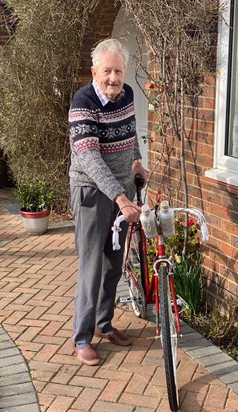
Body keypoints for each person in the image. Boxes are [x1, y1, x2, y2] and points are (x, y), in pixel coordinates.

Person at [68, 38, 148, 366]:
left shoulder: (127, 94)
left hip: (122, 193)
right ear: (94, 71)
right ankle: (82, 338)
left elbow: (129, 134)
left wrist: (137, 161)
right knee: (91, 266)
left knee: (115, 263)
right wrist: (119, 196)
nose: (113, 78)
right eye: (107, 71)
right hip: (91, 192)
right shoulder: (82, 101)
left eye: (118, 70)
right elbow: (89, 157)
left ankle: (103, 324)